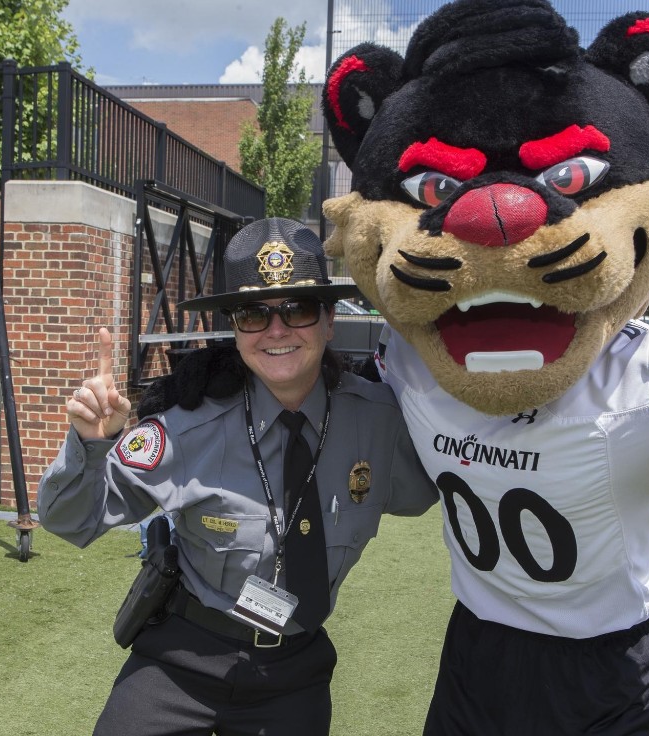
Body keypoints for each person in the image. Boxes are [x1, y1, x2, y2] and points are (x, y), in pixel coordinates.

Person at [36, 217, 439, 736]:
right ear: (235, 327)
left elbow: (441, 487)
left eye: (298, 308)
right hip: (180, 662)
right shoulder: (187, 429)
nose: (277, 330)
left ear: (330, 319)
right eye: (253, 313)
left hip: (295, 676)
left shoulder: (381, 422)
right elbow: (72, 520)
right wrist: (92, 446)